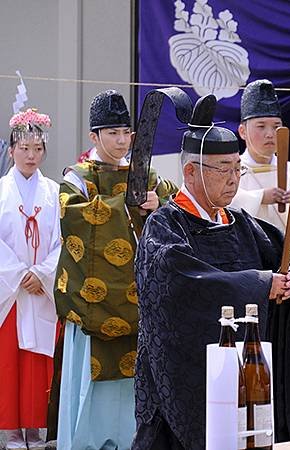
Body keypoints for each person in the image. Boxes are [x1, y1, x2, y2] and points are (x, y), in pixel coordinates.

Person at [133, 94, 290, 449]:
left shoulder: (240, 223)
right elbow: (181, 282)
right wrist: (260, 284)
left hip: (247, 370)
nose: (232, 180)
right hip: (186, 379)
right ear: (191, 172)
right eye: (222, 170)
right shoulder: (166, 225)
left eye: (235, 169)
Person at [54, 90, 176, 450]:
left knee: (136, 393)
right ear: (94, 136)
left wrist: (159, 203)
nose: (122, 141)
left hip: (139, 304)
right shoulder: (77, 178)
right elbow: (73, 218)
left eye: (126, 133)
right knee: (89, 402)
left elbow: (177, 208)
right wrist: (125, 204)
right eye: (112, 133)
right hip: (95, 305)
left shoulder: (148, 176)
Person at [0, 109, 60, 450]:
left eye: (37, 149)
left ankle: (37, 430)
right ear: (11, 151)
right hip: (9, 292)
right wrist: (19, 274)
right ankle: (8, 431)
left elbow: (63, 241)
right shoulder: (0, 191)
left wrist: (42, 273)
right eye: (24, 149)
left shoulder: (53, 192)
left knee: (39, 360)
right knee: (7, 360)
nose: (31, 156)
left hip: (39, 289)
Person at [230, 79, 290, 257]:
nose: (270, 134)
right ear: (242, 131)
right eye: (261, 126)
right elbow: (221, 205)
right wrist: (259, 197)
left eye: (276, 126)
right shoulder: (231, 173)